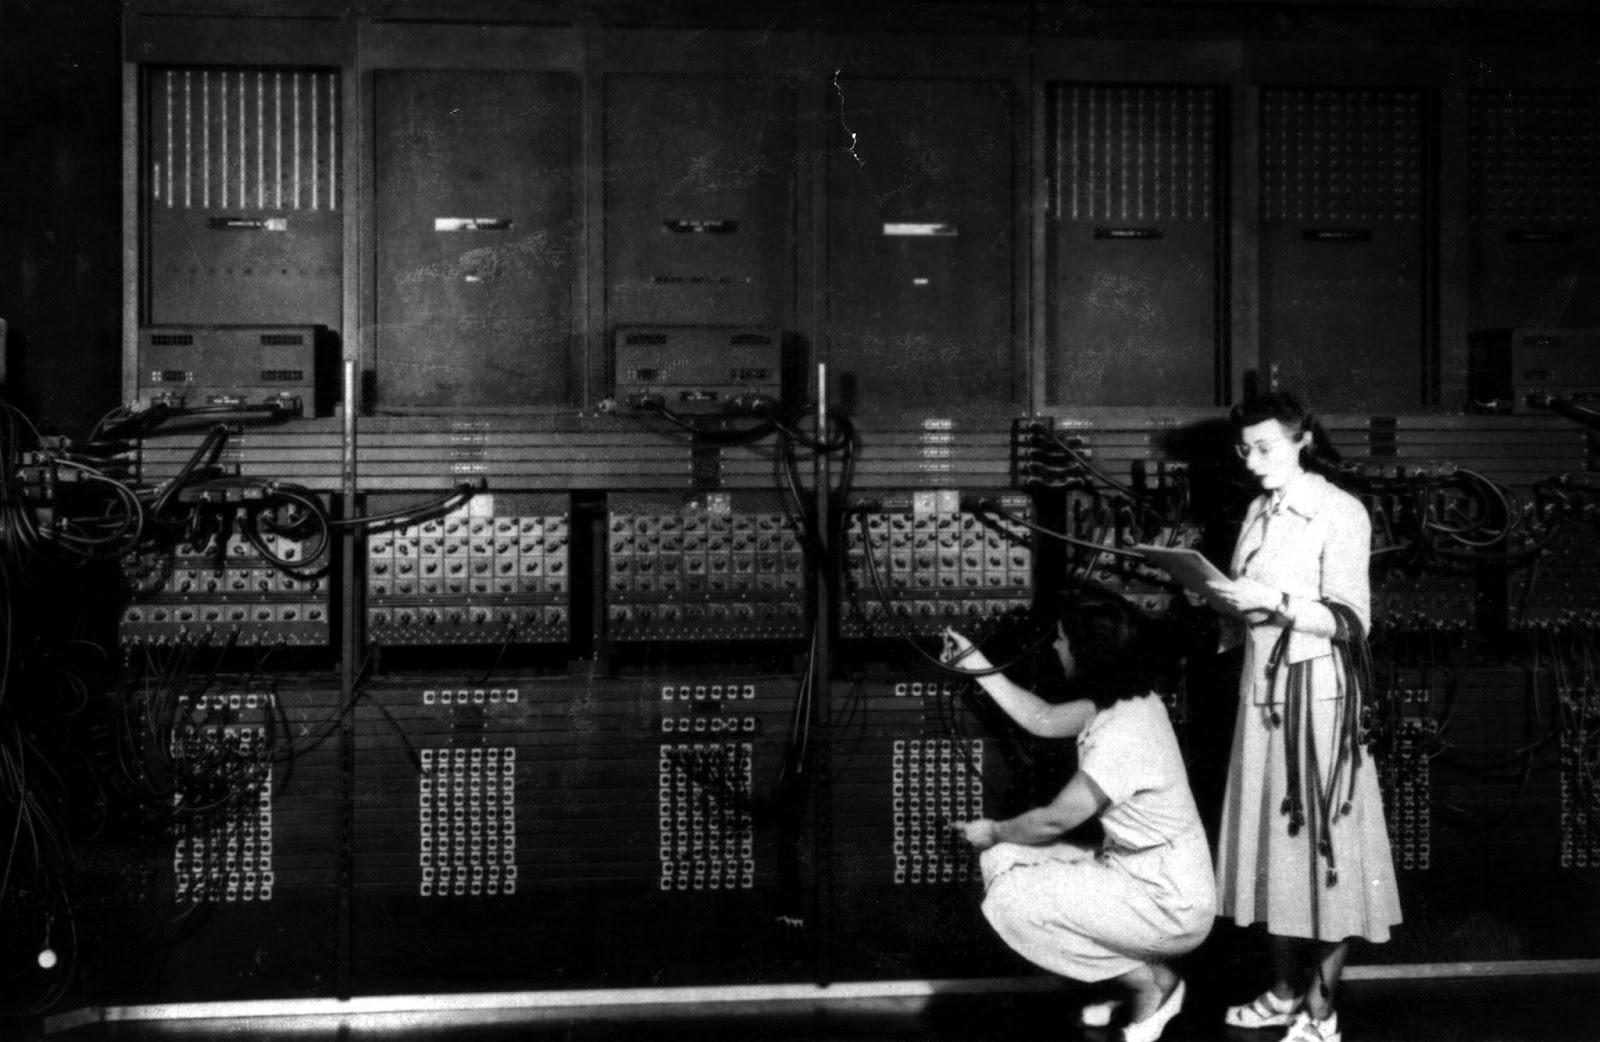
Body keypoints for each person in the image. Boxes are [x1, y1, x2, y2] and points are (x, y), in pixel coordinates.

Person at [1203, 391, 1402, 1042]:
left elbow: (1351, 620)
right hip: (1261, 698)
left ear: (1302, 441)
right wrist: (1218, 598)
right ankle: (1285, 993)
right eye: (1245, 449)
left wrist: (1273, 599)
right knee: (1275, 857)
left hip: (1319, 704)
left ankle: (1321, 1010)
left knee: (1329, 860)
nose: (1252, 460)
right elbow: (1248, 605)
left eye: (1265, 447)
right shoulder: (1260, 510)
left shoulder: (1338, 512)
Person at [943, 590, 1214, 1042]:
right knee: (1001, 861)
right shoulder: (1126, 701)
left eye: (1064, 640)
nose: (1056, 647)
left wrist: (991, 830)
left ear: (1089, 652)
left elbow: (1053, 821)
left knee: (1012, 899)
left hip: (1169, 904)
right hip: (1140, 877)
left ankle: (1149, 988)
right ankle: (1126, 979)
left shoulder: (1124, 731)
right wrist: (975, 663)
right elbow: (1043, 718)